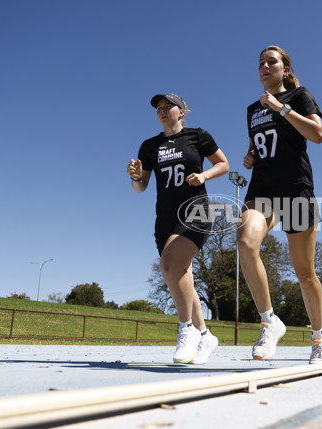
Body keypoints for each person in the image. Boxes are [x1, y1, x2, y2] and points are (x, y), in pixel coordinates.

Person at [239, 45, 322, 364]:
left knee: (304, 272)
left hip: (296, 187)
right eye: (260, 62)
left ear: (285, 69)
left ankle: (318, 339)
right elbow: (256, 146)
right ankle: (269, 321)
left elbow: (317, 135)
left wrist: (281, 108)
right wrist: (250, 156)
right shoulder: (252, 109)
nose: (264, 66)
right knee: (246, 242)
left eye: (271, 62)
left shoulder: (300, 96)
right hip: (262, 187)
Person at [127, 93, 229, 364]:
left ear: (181, 112)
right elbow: (141, 187)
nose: (162, 111)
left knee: (170, 265)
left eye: (167, 107)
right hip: (165, 218)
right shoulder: (149, 146)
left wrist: (204, 175)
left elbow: (223, 164)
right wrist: (136, 177)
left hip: (195, 210)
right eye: (158, 108)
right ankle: (205, 335)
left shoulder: (198, 136)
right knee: (181, 276)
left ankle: (187, 330)